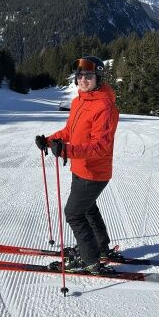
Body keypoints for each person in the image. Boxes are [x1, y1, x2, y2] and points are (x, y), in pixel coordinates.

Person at [35, 56, 119, 274]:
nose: (83, 79)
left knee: (73, 213)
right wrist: (50, 140)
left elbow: (100, 146)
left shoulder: (105, 107)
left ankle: (90, 260)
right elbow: (70, 132)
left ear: (98, 77)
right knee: (88, 208)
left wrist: (67, 151)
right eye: (80, 75)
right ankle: (100, 248)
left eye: (88, 75)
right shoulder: (79, 101)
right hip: (80, 168)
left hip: (94, 171)